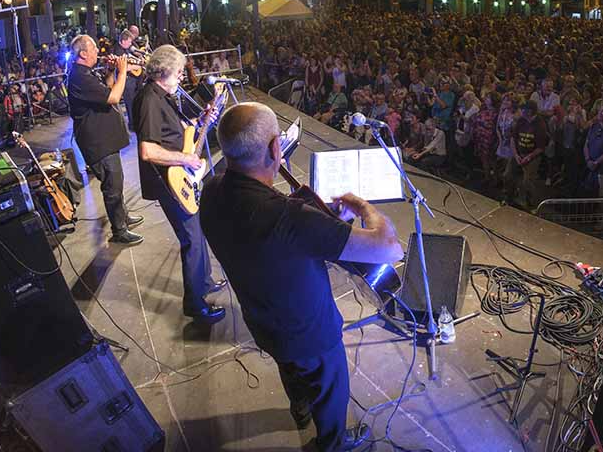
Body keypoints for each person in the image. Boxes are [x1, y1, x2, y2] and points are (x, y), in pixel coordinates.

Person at [201, 102, 403, 451]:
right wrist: (364, 208)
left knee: (291, 369)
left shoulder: (212, 191)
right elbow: (389, 249)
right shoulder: (290, 219)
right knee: (331, 390)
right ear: (275, 148)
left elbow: (264, 227)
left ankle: (299, 409)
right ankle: (332, 442)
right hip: (311, 331)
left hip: (262, 319)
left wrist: (320, 221)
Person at [132, 45, 226, 326]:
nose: (181, 79)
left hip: (179, 174)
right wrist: (185, 158)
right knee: (192, 240)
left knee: (197, 232)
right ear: (163, 72)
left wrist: (201, 121)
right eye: (177, 73)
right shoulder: (149, 99)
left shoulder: (164, 95)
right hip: (168, 181)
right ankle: (195, 306)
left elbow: (175, 132)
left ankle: (205, 282)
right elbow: (147, 150)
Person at [66, 35, 143, 245]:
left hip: (105, 139)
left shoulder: (85, 73)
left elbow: (105, 90)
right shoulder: (79, 77)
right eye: (93, 49)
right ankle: (119, 231)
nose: (97, 52)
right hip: (98, 142)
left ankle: (123, 217)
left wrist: (113, 71)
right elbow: (113, 97)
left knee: (115, 182)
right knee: (112, 185)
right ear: (82, 53)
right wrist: (124, 71)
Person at [506, 100, 547, 210]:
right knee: (508, 174)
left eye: (523, 109)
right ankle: (510, 197)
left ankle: (531, 204)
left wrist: (528, 157)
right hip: (518, 152)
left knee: (528, 181)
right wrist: (516, 155)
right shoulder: (521, 120)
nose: (521, 111)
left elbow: (540, 148)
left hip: (532, 155)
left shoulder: (540, 125)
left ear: (529, 111)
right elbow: (513, 138)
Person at [108, 29, 141, 130]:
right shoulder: (117, 51)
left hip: (133, 80)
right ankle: (132, 125)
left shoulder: (126, 49)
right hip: (126, 81)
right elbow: (121, 67)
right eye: (129, 41)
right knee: (130, 102)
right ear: (123, 41)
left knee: (135, 102)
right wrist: (136, 67)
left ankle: (136, 121)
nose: (131, 44)